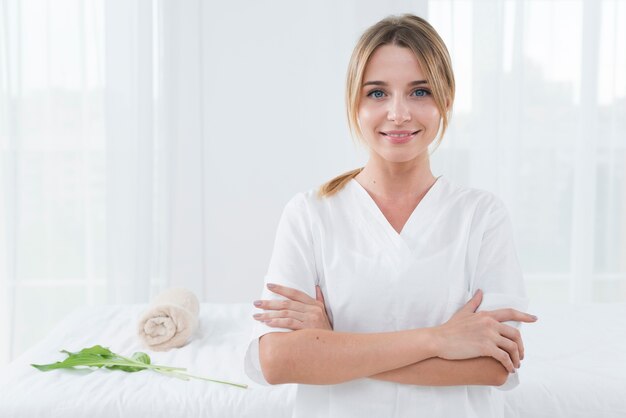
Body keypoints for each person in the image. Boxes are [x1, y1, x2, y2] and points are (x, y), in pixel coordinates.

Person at [244, 13, 537, 418]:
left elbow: (492, 365)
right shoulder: (310, 214)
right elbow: (277, 360)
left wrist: (334, 347)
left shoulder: (480, 216)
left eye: (419, 92)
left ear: (446, 100)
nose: (398, 114)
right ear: (355, 103)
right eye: (377, 94)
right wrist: (440, 340)